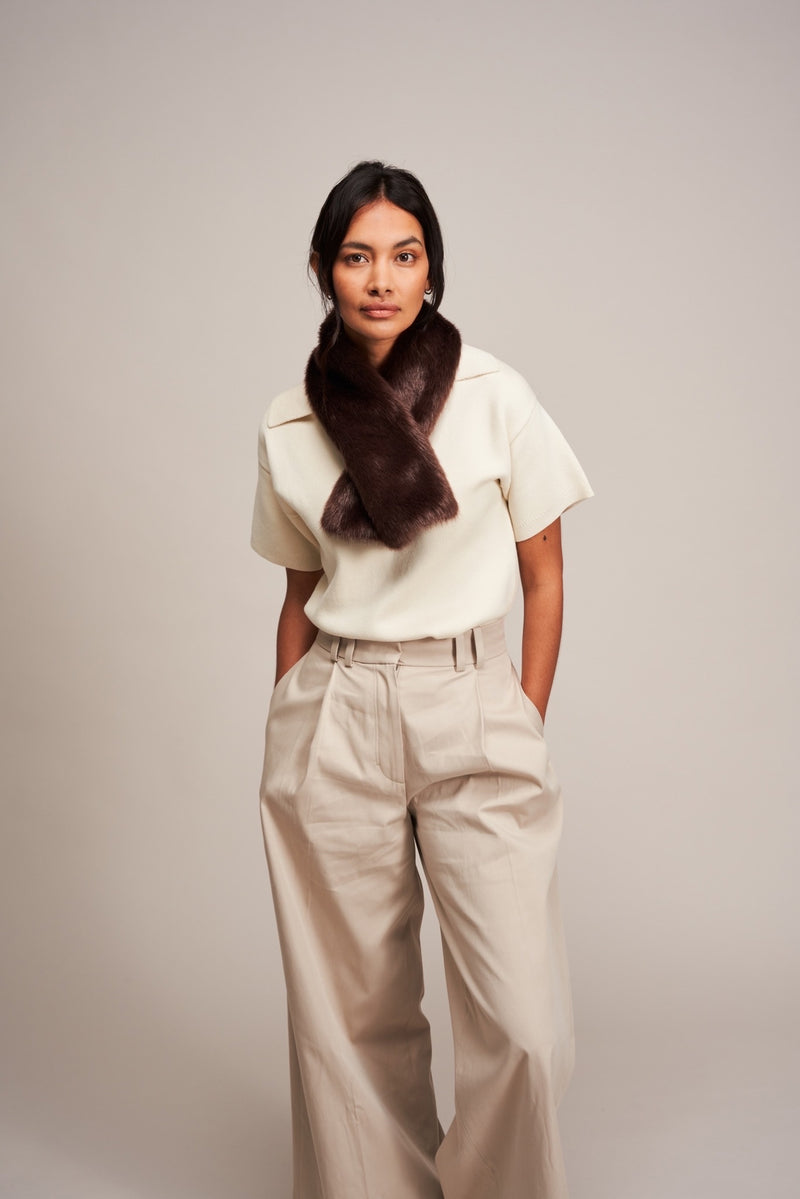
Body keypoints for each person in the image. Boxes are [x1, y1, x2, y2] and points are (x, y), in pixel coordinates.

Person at [251, 160, 592, 1199]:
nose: (381, 278)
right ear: (321, 269)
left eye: (403, 255)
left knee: (524, 1026)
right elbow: (299, 594)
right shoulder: (286, 422)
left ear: (432, 270)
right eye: (357, 256)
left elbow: (543, 574)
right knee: (347, 1020)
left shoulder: (494, 394)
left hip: (467, 700)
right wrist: (286, 726)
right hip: (334, 712)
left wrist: (517, 716)